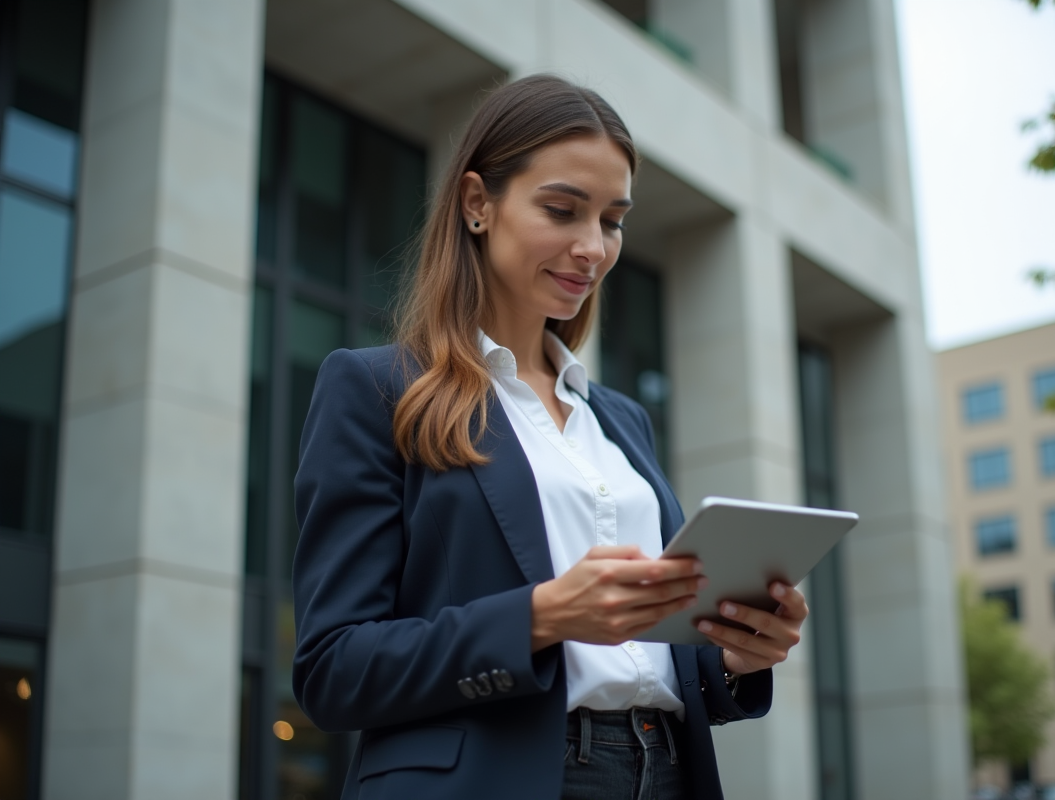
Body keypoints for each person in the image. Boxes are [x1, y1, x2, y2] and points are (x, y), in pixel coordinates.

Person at [292, 74, 810, 800]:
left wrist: (739, 656)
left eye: (613, 220)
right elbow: (332, 669)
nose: (593, 248)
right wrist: (541, 617)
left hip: (663, 773)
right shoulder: (377, 390)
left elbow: (652, 664)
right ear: (478, 204)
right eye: (562, 210)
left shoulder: (620, 420)